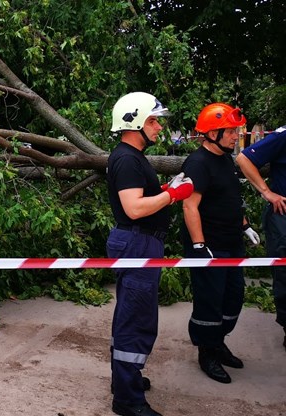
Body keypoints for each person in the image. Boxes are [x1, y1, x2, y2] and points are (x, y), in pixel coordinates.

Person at [106, 92, 193, 416]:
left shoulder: (132, 156)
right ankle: (127, 400)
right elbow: (134, 207)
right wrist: (171, 195)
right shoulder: (128, 159)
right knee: (137, 320)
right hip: (138, 243)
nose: (158, 126)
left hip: (139, 243)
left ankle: (123, 379)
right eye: (154, 120)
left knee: (129, 314)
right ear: (135, 121)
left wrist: (166, 188)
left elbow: (143, 198)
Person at [180, 103, 260, 384]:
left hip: (232, 244)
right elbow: (190, 206)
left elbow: (231, 200)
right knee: (210, 303)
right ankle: (207, 353)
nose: (236, 136)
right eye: (231, 131)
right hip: (210, 247)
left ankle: (218, 342)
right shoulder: (198, 163)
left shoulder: (226, 159)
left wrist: (245, 225)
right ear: (212, 133)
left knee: (233, 298)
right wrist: (200, 247)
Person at [235, 125, 286, 352]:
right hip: (283, 216)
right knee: (284, 275)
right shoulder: (283, 136)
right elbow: (244, 158)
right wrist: (267, 192)